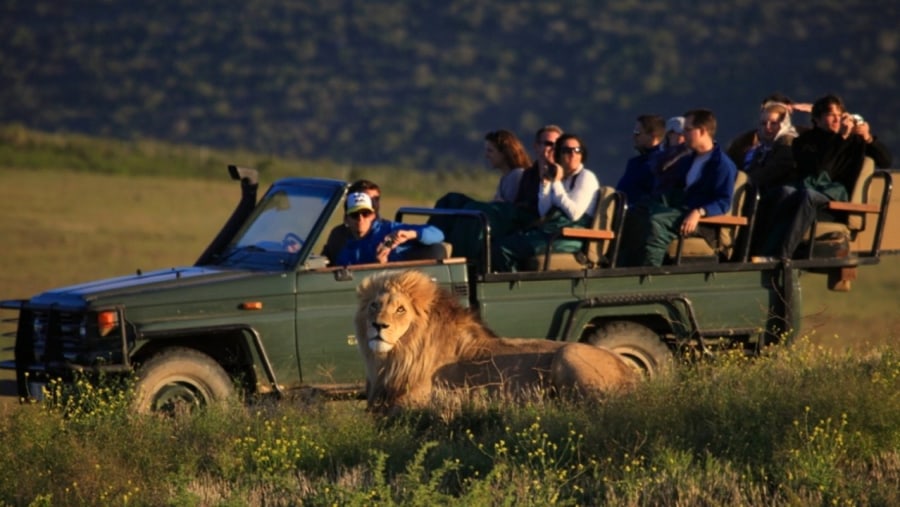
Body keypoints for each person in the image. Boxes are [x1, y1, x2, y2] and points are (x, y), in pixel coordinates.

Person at [756, 94, 892, 259]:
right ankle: (759, 251)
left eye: (839, 115)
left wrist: (868, 138)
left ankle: (782, 256)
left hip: (834, 200)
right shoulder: (804, 142)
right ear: (817, 120)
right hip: (809, 189)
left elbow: (885, 160)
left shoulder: (853, 141)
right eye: (830, 115)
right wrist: (839, 138)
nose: (837, 120)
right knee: (781, 193)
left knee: (807, 197)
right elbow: (820, 169)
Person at [638, 108, 737, 267]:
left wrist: (699, 212)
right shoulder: (689, 159)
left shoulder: (721, 165)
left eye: (688, 130)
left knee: (656, 221)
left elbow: (724, 201)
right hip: (679, 211)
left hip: (703, 223)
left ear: (702, 131)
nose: (683, 135)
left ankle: (649, 273)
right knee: (638, 212)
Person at [491, 133, 600, 272]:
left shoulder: (586, 177)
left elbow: (574, 214)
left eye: (577, 150)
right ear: (559, 155)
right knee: (499, 243)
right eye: (567, 150)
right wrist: (546, 184)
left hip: (570, 236)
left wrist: (556, 183)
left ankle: (514, 288)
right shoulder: (563, 178)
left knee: (503, 249)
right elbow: (544, 211)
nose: (573, 154)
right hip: (553, 232)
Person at [431, 129, 537, 261]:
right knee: (451, 200)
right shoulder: (506, 177)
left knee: (467, 209)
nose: (487, 155)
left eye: (490, 151)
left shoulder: (517, 175)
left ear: (504, 153)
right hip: (496, 218)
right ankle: (432, 237)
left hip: (503, 225)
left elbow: (507, 210)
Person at [334, 192, 446, 265]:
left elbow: (438, 234)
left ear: (373, 215)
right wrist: (380, 264)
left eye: (365, 213)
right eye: (354, 214)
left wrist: (411, 234)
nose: (360, 219)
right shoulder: (347, 252)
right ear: (346, 219)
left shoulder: (391, 229)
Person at [321, 179, 382, 264]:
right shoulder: (338, 234)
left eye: (376, 199)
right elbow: (325, 262)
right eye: (366, 198)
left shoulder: (387, 231)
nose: (374, 203)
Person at [616, 114, 666, 205]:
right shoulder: (636, 162)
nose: (634, 136)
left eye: (637, 133)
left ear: (652, 136)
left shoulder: (659, 163)